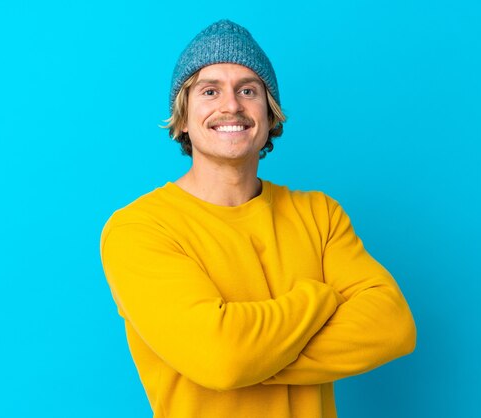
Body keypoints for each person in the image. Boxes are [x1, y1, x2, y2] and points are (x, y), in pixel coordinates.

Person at [100, 19, 416, 418]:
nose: (231, 105)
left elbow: (392, 326)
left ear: (270, 116)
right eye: (209, 90)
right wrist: (318, 298)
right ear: (181, 118)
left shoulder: (319, 214)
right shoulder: (139, 228)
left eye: (248, 90)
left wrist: (254, 359)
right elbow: (223, 358)